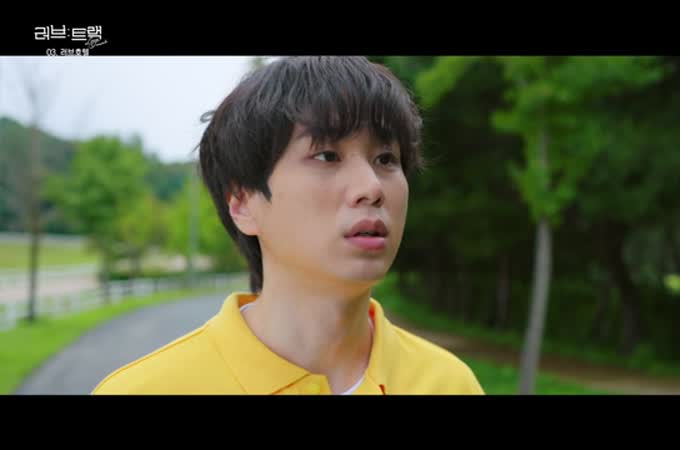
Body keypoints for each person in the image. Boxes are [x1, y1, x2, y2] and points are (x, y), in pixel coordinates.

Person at [92, 56, 484, 395]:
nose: (371, 188)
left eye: (386, 159)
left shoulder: (449, 383)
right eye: (327, 156)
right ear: (242, 203)